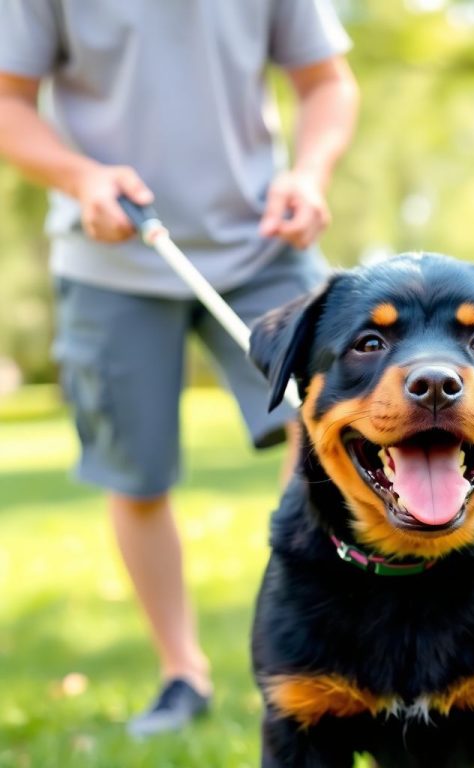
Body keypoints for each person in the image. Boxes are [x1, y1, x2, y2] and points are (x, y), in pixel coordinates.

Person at [0, 0, 358, 737]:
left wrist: (311, 173)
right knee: (137, 475)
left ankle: (337, 644)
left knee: (331, 430)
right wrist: (78, 176)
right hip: (111, 257)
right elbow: (8, 100)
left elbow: (328, 81)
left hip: (265, 240)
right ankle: (183, 677)